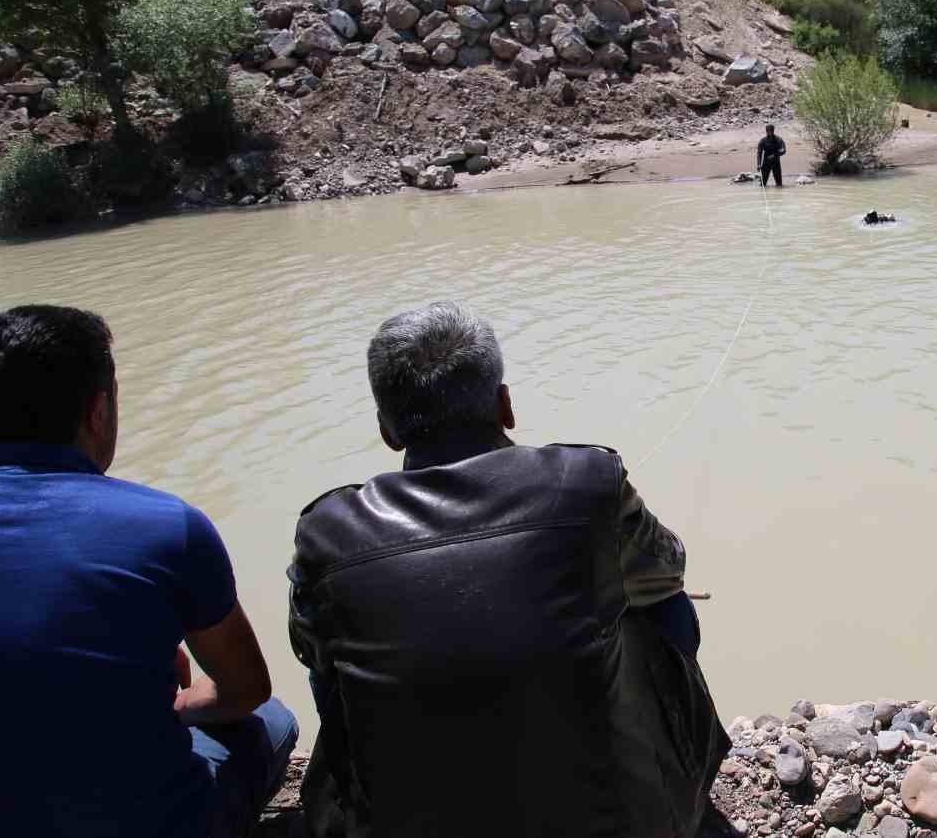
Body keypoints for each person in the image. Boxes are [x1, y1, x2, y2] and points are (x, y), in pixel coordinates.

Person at [288, 301, 727, 838]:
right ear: (505, 404)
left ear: (387, 430)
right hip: (619, 821)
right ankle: (678, 786)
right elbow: (669, 569)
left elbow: (313, 654)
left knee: (336, 663)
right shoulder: (590, 479)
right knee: (659, 608)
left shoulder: (325, 531)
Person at [0, 305, 297, 838]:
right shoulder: (165, 525)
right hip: (147, 821)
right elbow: (245, 688)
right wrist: (173, 701)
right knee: (272, 720)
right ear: (97, 411)